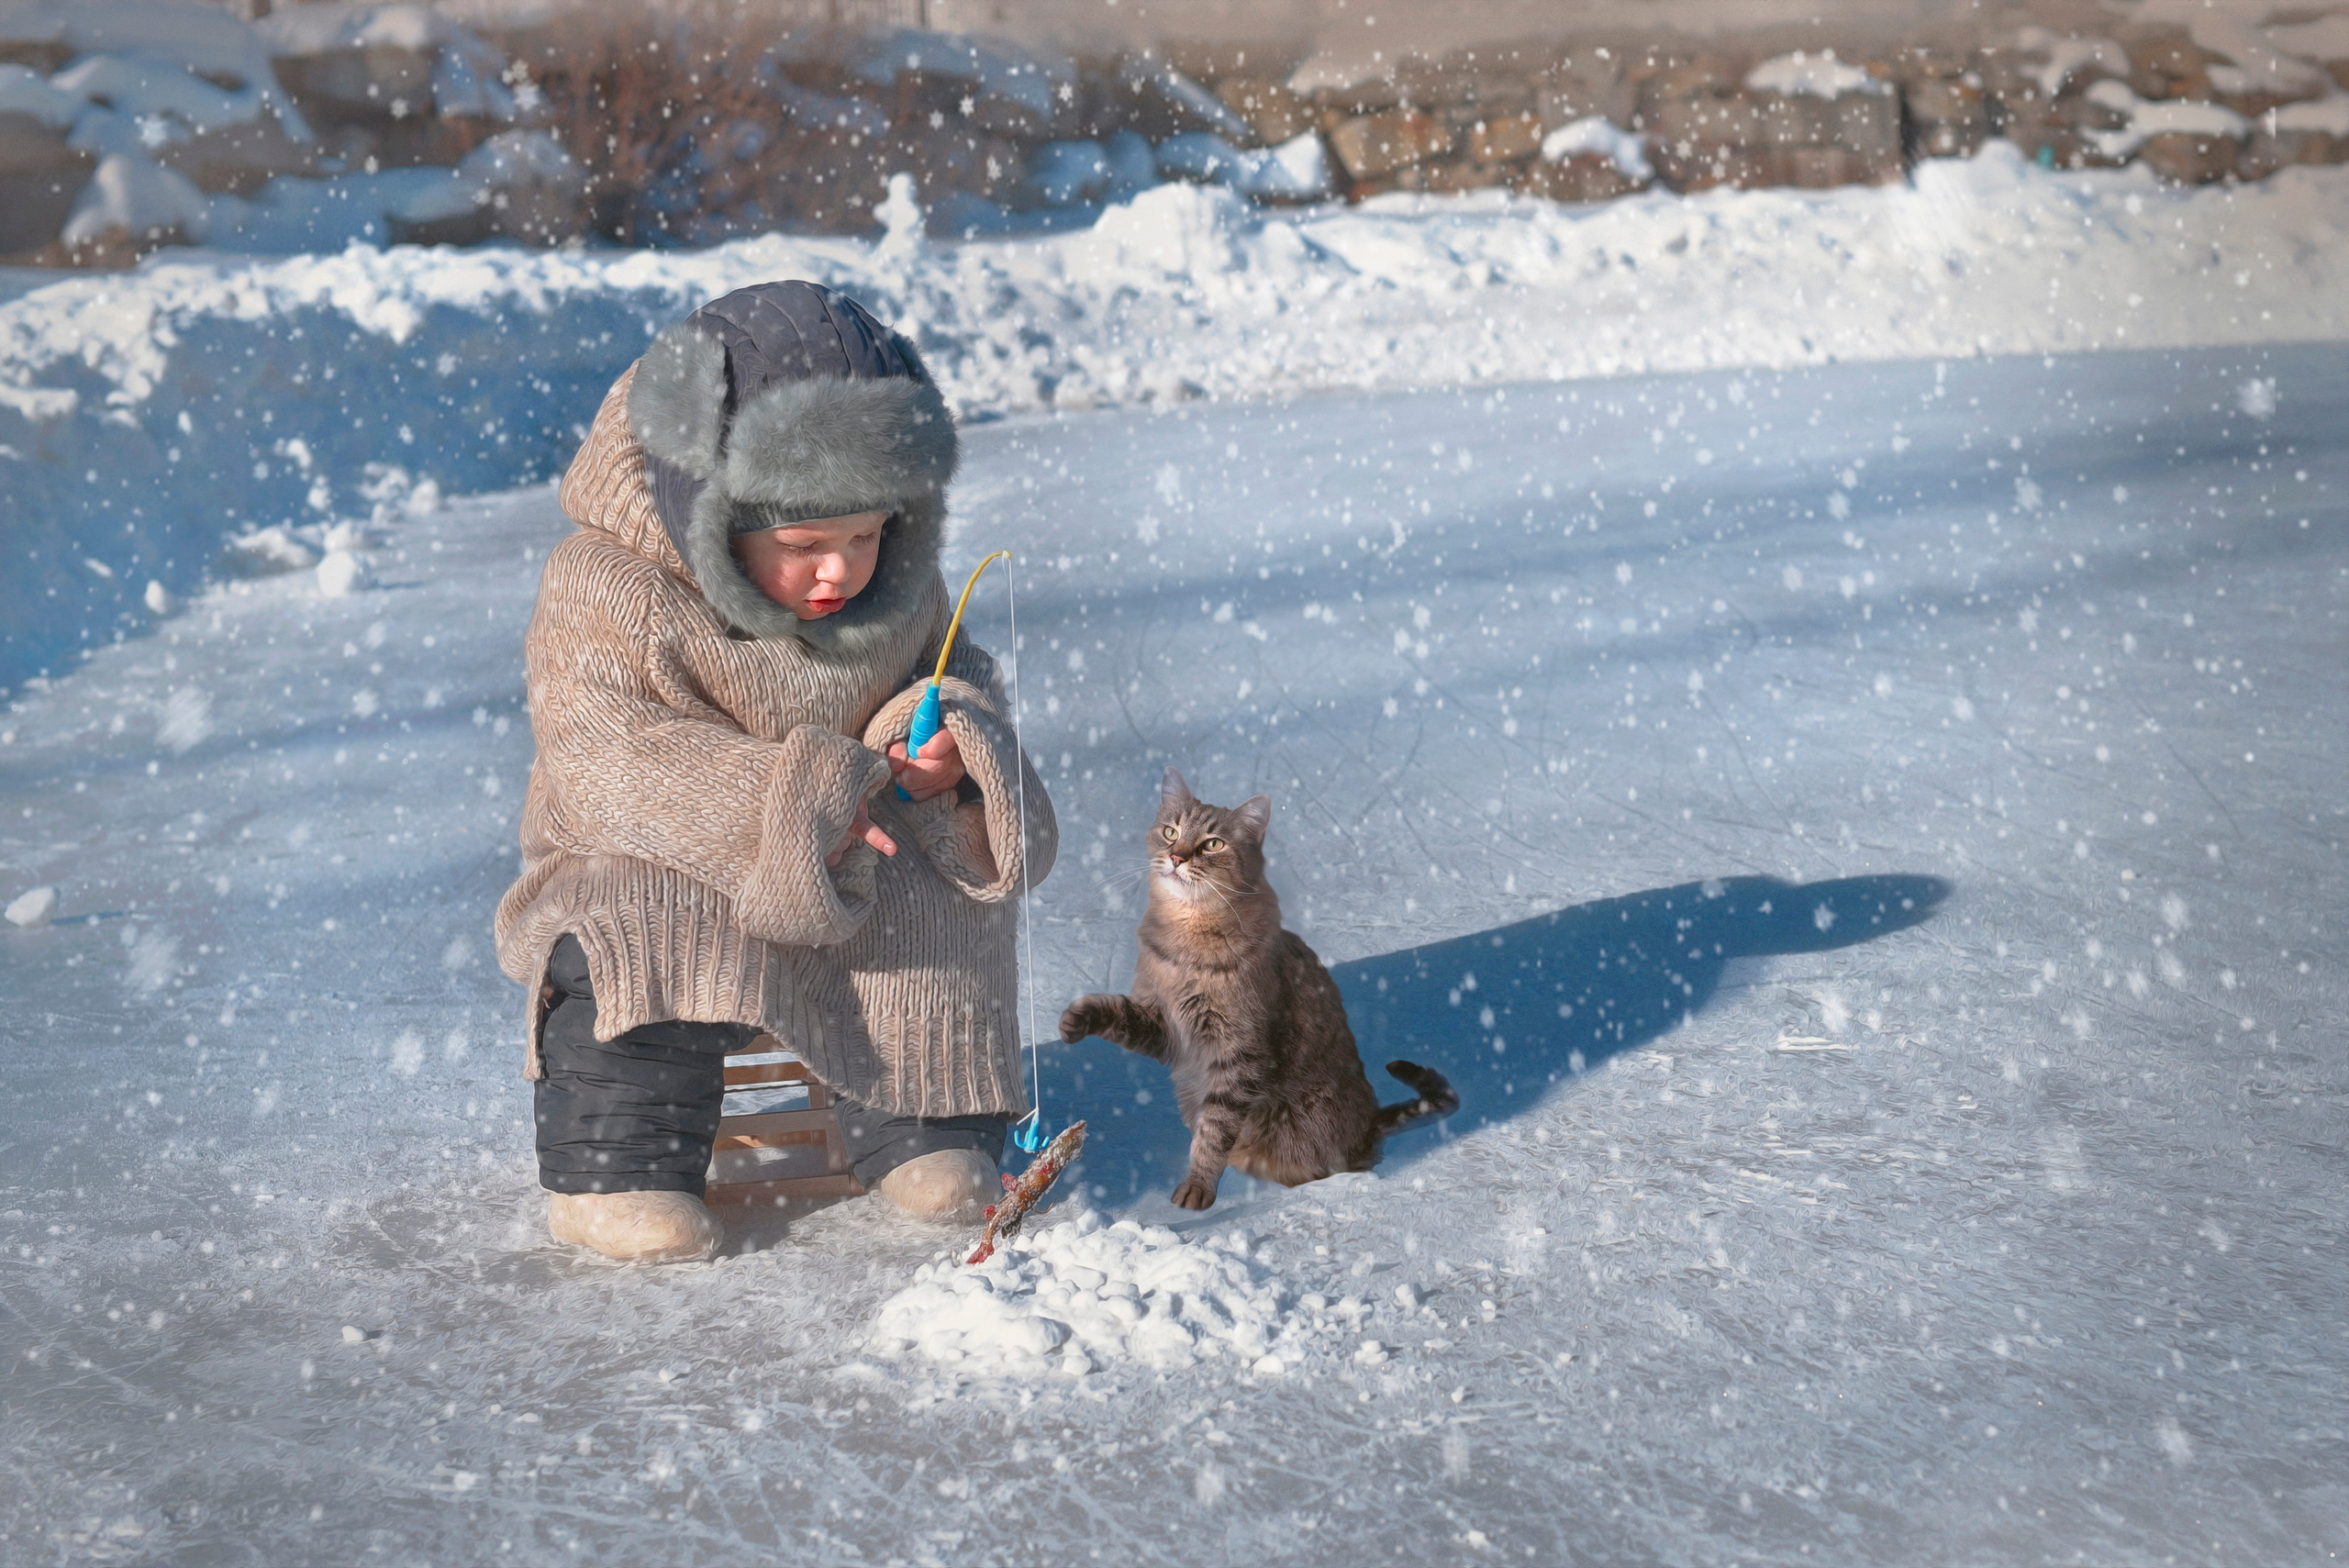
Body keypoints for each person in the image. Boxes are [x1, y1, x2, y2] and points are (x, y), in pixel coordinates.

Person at [495, 280, 1055, 1264]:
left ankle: (920, 1123)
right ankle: (621, 1162)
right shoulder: (608, 583)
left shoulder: (895, 590)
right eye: (801, 546)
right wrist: (788, 804)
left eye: (865, 534)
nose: (839, 572)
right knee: (645, 918)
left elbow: (948, 673)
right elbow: (605, 752)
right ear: (708, 509)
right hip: (667, 846)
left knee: (934, 898)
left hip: (864, 835)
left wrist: (947, 747)